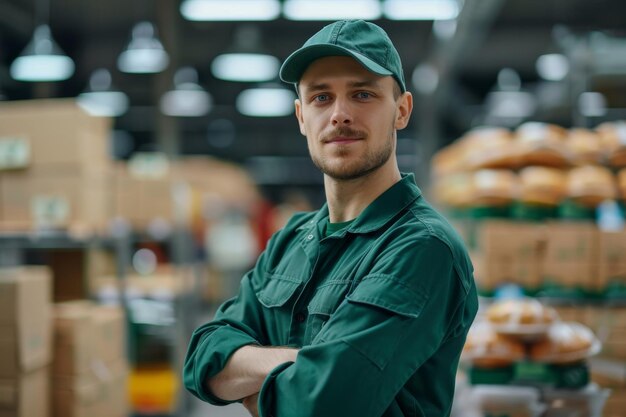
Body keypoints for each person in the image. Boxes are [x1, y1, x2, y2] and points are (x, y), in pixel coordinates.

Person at [183, 19, 478, 417]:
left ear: (402, 111)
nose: (339, 114)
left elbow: (322, 406)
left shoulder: (422, 247)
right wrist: (297, 363)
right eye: (321, 97)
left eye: (362, 94)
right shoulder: (291, 238)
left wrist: (250, 382)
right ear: (301, 116)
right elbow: (202, 358)